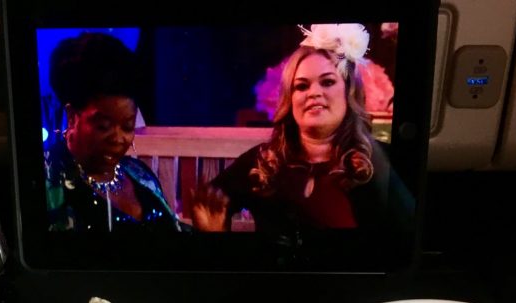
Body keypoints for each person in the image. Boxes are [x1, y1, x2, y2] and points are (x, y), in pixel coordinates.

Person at [193, 24, 394, 240]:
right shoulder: (261, 162)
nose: (313, 93)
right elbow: (207, 214)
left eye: (327, 82)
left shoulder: (383, 161)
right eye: (302, 86)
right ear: (290, 99)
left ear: (349, 93)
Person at [45, 32, 183, 233]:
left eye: (127, 126)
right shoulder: (48, 180)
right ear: (72, 116)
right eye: (104, 126)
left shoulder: (141, 175)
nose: (118, 139)